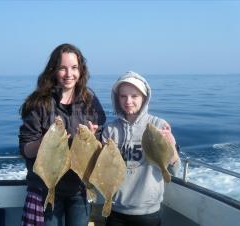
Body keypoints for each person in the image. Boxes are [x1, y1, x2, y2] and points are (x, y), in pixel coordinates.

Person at [18, 43, 106, 226]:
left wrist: (93, 138)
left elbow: (102, 142)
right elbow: (26, 149)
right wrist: (43, 142)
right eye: (62, 68)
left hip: (79, 188)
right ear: (53, 70)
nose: (69, 74)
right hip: (46, 188)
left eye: (74, 68)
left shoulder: (90, 101)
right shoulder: (39, 103)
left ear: (81, 70)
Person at [102, 71, 180, 226]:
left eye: (134, 96)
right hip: (115, 209)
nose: (128, 101)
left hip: (148, 212)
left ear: (144, 98)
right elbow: (104, 171)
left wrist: (172, 149)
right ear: (117, 99)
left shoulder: (158, 126)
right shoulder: (110, 130)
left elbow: (174, 171)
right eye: (123, 96)